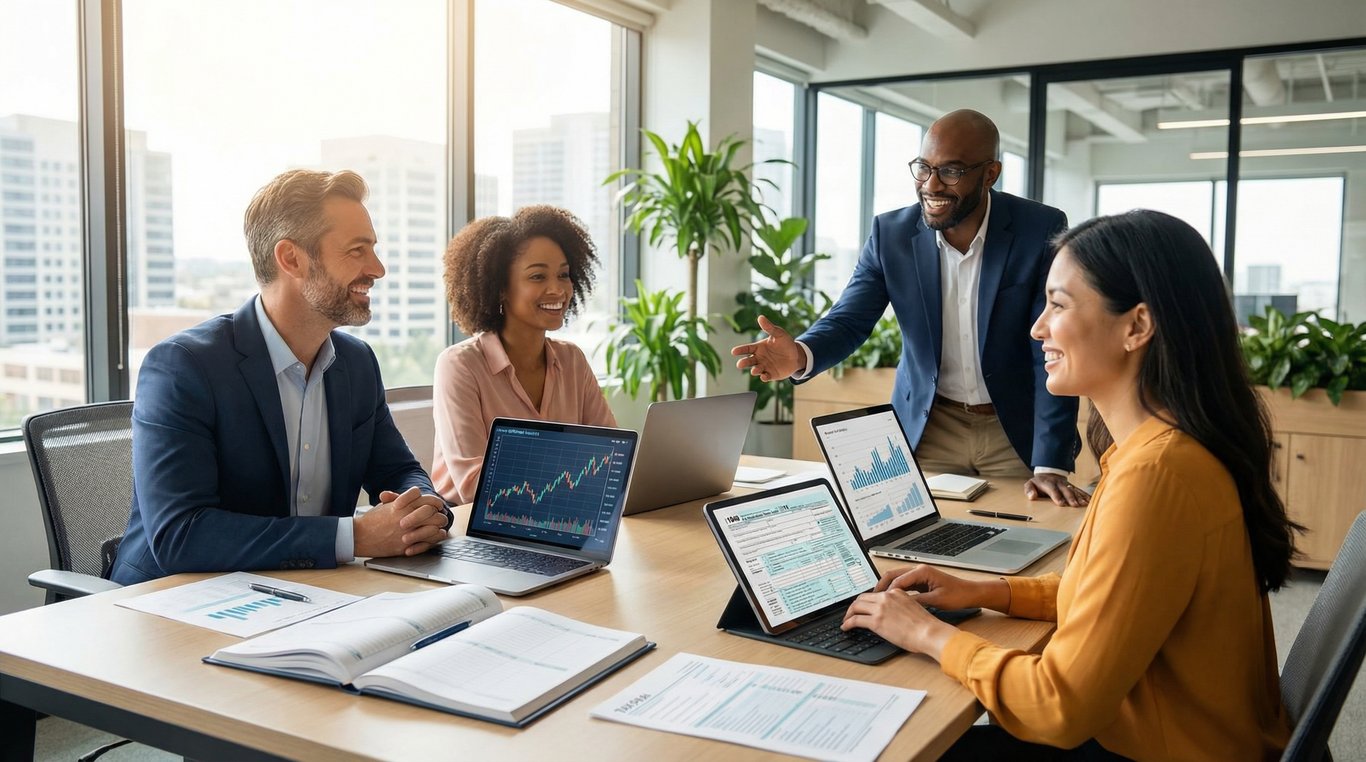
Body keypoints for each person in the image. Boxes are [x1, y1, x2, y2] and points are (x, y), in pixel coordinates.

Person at [841, 210, 1298, 760]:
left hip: (1154, 746)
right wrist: (986, 592)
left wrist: (927, 635)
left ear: (1136, 326)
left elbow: (1057, 708)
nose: (1036, 327)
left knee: (903, 743)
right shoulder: (1160, 448)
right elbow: (1109, 594)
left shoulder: (1157, 475)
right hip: (1169, 732)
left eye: (1057, 304)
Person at [111, 170, 451, 585]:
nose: (377, 269)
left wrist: (424, 509)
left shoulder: (356, 363)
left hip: (307, 593)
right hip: (169, 602)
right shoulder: (183, 367)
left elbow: (399, 470)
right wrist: (355, 536)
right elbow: (181, 535)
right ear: (291, 259)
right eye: (357, 250)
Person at [733, 109, 1086, 507]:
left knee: (1027, 541)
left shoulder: (1039, 228)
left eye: (951, 171)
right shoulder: (891, 233)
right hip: (930, 425)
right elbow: (851, 318)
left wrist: (1050, 463)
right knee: (918, 543)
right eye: (924, 168)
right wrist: (800, 354)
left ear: (990, 174)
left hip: (1015, 429)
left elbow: (1052, 345)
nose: (931, 185)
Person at [431, 205, 616, 504]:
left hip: (558, 514)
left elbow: (612, 457)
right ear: (501, 288)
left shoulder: (572, 361)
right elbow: (474, 485)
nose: (557, 289)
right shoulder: (460, 365)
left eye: (564, 274)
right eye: (537, 277)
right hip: (467, 530)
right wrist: (575, 473)